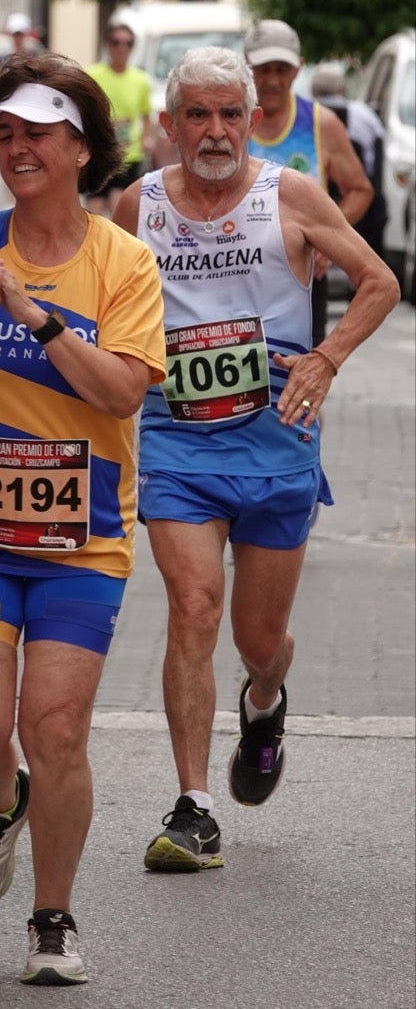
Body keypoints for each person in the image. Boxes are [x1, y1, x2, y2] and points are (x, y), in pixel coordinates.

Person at [0, 54, 166, 984]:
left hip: (82, 539)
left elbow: (122, 393)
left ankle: (52, 920)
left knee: (56, 732)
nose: (14, 149)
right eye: (2, 135)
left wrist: (38, 317)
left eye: (34, 134)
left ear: (80, 148)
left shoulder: (124, 261)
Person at [112, 46, 400, 873]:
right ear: (170, 125)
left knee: (257, 636)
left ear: (251, 119)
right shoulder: (142, 204)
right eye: (196, 115)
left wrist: (325, 357)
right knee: (195, 608)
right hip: (175, 438)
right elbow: (97, 293)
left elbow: (378, 280)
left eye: (228, 114)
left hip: (277, 439)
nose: (213, 130)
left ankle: (266, 701)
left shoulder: (292, 195)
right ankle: (192, 806)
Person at [244, 20, 373, 344]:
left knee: (301, 380)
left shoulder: (321, 124)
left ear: (298, 69)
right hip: (238, 278)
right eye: (263, 69)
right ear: (245, 67)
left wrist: (325, 237)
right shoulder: (228, 121)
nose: (272, 80)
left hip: (304, 280)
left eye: (282, 69)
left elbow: (359, 190)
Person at [311, 61, 387, 261]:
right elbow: (379, 158)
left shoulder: (303, 117)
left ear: (312, 89)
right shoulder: (366, 116)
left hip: (315, 204)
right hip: (366, 210)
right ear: (343, 88)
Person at [85, 22, 154, 216]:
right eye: (116, 42)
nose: (121, 48)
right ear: (107, 45)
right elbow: (84, 110)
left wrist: (146, 139)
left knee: (118, 207)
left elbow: (146, 114)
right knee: (95, 211)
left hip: (127, 152)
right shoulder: (93, 75)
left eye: (128, 43)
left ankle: (115, 246)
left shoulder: (140, 80)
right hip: (98, 149)